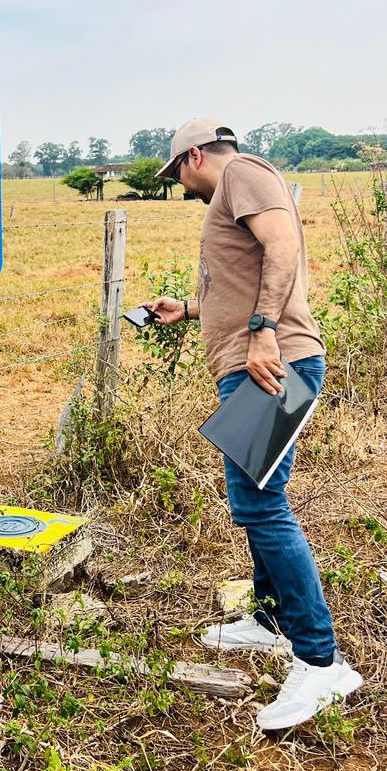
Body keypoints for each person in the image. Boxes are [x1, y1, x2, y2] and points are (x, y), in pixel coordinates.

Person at [139, 118, 362, 731]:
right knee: (257, 493)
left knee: (260, 504)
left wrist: (263, 331)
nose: (182, 186)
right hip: (258, 364)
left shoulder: (242, 173)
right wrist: (188, 309)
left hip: (269, 364)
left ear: (193, 156)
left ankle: (320, 662)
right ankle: (268, 620)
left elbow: (283, 246)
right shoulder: (237, 188)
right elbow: (247, 272)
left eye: (178, 175)